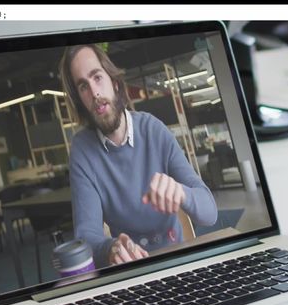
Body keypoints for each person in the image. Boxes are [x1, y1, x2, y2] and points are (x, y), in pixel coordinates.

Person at [61, 44, 218, 269]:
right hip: (131, 270)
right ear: (80, 101)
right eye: (83, 86)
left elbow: (210, 214)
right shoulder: (82, 150)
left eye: (97, 77)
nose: (95, 93)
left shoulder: (154, 129)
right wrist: (110, 249)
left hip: (178, 262)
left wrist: (181, 192)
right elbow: (87, 236)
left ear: (115, 83)